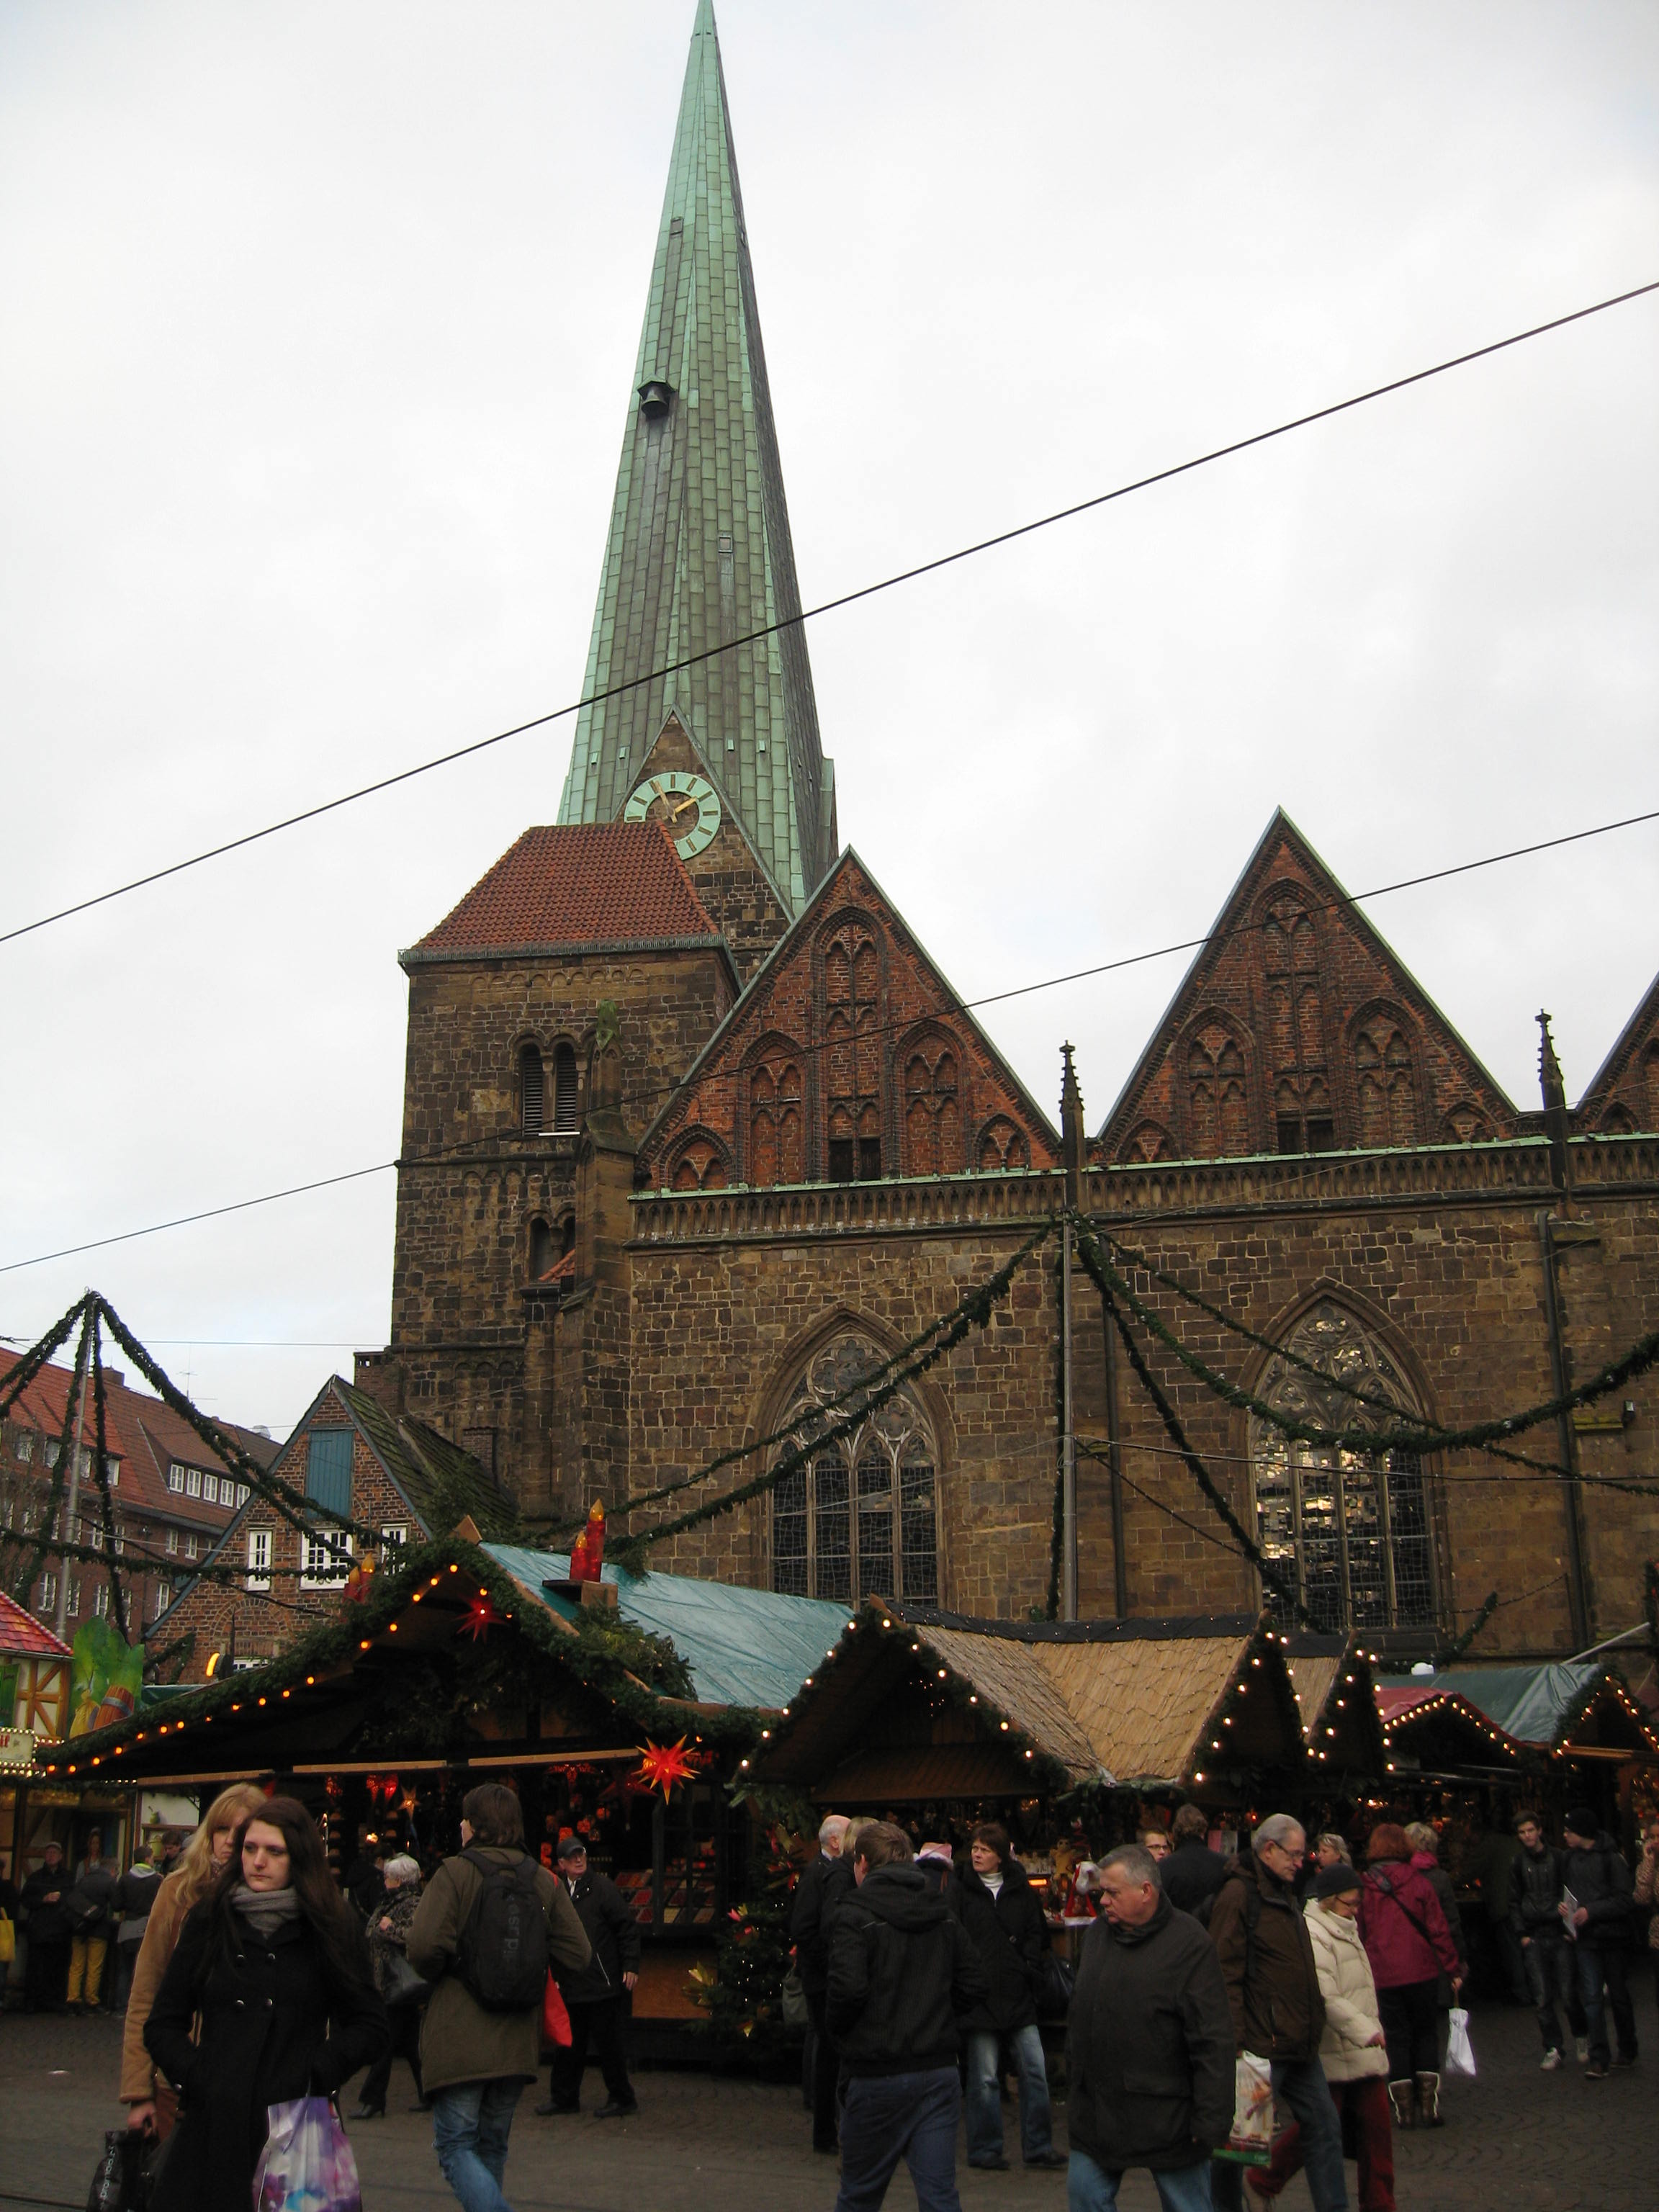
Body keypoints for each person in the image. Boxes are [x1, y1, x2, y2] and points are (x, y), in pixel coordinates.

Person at [143, 1797, 387, 2212]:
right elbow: (163, 2022)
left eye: (274, 1852)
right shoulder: (211, 1919)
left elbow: (370, 2023)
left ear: (299, 1858)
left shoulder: (330, 1923)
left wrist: (317, 2073)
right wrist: (199, 2075)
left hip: (296, 2127)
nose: (258, 1861)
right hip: (214, 2124)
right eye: (250, 1849)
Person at [408, 1783, 590, 2212]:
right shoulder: (543, 1878)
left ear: (473, 1825)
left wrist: (449, 1972)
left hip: (460, 2032)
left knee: (454, 2146)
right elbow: (579, 1954)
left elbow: (422, 1947)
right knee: (492, 2145)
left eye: (465, 1819)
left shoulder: (454, 1872)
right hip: (517, 2034)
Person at [826, 1819, 988, 2212]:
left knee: (859, 2194)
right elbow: (974, 1983)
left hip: (877, 2071)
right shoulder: (941, 1909)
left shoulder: (854, 1913)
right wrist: (941, 2018)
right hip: (936, 2070)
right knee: (939, 2196)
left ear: (862, 1863)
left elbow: (847, 1992)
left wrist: (845, 2037)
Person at [1066, 1841, 1233, 2212]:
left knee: (1188, 2205)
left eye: (1112, 1893)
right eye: (1102, 1892)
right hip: (1097, 2113)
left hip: (1169, 2118)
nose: (1104, 1901)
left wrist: (1211, 2120)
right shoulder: (1097, 1936)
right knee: (1086, 2197)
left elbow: (1212, 2039)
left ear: (1145, 1892)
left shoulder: (1189, 1944)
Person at [1208, 1814, 1346, 2212]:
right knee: (1239, 2144)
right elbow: (1224, 1972)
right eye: (1295, 1853)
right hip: (1260, 2044)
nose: (1301, 1862)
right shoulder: (1240, 1896)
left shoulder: (1285, 1892)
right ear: (1268, 1850)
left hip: (1297, 2041)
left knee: (1324, 2128)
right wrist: (1235, 2043)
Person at [120, 1783, 269, 2139]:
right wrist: (139, 2091)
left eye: (243, 1830)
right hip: (180, 2079)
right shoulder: (178, 1890)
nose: (230, 1840)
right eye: (222, 1828)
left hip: (255, 2085)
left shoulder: (279, 1898)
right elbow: (146, 1993)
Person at [1251, 1863, 1393, 2212]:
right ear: (1329, 1900)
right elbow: (1326, 1995)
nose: (1355, 1910)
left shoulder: (1345, 1926)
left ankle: (1379, 2205)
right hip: (1335, 2047)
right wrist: (1365, 2030)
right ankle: (1262, 2179)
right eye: (1349, 1903)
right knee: (1319, 2129)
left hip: (1361, 2048)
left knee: (1375, 2133)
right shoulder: (1314, 1932)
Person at [948, 1820, 1065, 2171]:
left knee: (1034, 2070)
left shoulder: (1020, 1890)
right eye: (975, 1848)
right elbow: (952, 1933)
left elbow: (1035, 1931)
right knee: (984, 2077)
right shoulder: (961, 1889)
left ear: (1000, 1856)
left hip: (1017, 1994)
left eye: (985, 1849)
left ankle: (1039, 2145)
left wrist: (1028, 1964)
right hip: (980, 1995)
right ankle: (985, 2148)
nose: (977, 1854)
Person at [1355, 1824, 1460, 2129]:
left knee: (1396, 2038)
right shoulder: (1419, 1883)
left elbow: (1359, 1934)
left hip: (1384, 1975)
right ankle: (1429, 2106)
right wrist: (1453, 1968)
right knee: (1426, 2033)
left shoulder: (1365, 1888)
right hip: (1422, 1971)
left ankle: (1404, 2112)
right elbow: (1439, 1929)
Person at [539, 1834, 640, 2117]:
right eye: (572, 1857)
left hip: (602, 1982)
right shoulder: (558, 1892)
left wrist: (631, 1965)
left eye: (581, 1854)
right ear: (561, 1863)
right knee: (568, 2045)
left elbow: (627, 1928)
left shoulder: (603, 1889)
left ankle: (622, 2097)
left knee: (609, 2045)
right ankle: (564, 2098)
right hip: (573, 1983)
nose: (579, 1860)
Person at [789, 1812, 852, 2153]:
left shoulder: (831, 1873)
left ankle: (829, 2121)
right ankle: (824, 2125)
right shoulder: (818, 1874)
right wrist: (824, 1963)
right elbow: (804, 1926)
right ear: (835, 1841)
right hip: (820, 1978)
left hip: (823, 1974)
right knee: (826, 2047)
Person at [1560, 1804, 1637, 2077]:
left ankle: (1627, 2048)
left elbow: (1625, 1899)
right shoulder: (1569, 1860)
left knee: (1618, 1996)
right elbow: (1568, 1892)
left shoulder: (1611, 1859)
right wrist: (1566, 1912)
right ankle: (1599, 2057)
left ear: (1582, 1832)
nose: (1565, 1835)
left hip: (1612, 1937)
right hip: (1586, 1939)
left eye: (1569, 1831)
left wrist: (1591, 1911)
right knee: (1592, 1997)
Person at [1509, 1810, 1586, 2068]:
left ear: (1539, 1830)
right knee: (1542, 1997)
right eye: (1522, 1832)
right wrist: (1522, 1934)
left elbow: (1571, 1890)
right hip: (1534, 1934)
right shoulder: (1518, 1863)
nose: (1527, 1836)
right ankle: (1553, 2047)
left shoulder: (1559, 1858)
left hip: (1557, 1932)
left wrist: (1568, 1928)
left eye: (1530, 1830)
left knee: (1568, 1993)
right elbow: (1514, 1900)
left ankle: (1581, 2036)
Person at [354, 1853, 427, 2118]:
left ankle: (373, 2099)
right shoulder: (387, 1902)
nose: (384, 1880)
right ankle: (429, 2091)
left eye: (388, 1876)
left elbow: (416, 1937)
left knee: (384, 2042)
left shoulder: (412, 1904)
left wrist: (391, 1929)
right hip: (385, 1983)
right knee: (409, 2044)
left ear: (399, 1880)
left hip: (398, 1984)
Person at [66, 1830, 118, 2013]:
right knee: (94, 1967)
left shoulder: (85, 1878)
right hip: (99, 1928)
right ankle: (92, 2000)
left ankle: (73, 1998)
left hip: (78, 1927)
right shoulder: (110, 1882)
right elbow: (117, 1904)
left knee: (76, 1965)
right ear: (113, 1870)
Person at [111, 1841, 165, 2014]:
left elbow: (116, 1904)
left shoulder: (125, 1879)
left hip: (127, 1929)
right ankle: (143, 2006)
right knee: (145, 1970)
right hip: (148, 1928)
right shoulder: (157, 1880)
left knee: (124, 1970)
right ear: (148, 1859)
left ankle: (121, 2007)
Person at [21, 1840, 71, 2013]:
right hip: (39, 1931)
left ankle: (54, 2001)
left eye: (54, 1853)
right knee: (35, 1968)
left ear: (61, 1856)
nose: (51, 1856)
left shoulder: (67, 1878)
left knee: (56, 1968)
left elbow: (73, 1900)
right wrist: (43, 1899)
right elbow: (25, 1900)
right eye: (48, 1853)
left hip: (60, 1931)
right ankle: (32, 2002)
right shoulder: (35, 1878)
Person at [1161, 1805, 1226, 1924]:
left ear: (1175, 1833)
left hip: (1177, 1935)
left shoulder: (1165, 1867)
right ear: (1203, 1830)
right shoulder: (1224, 1864)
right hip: (1214, 1934)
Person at [1632, 1815, 1659, 2031]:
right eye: (1652, 1837)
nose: (1655, 1842)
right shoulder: (1646, 1866)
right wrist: (1649, 1863)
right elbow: (1642, 1898)